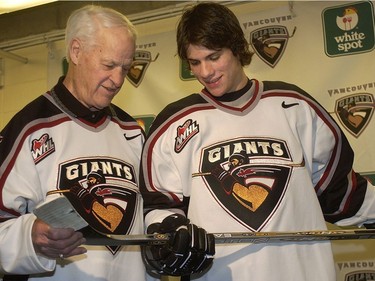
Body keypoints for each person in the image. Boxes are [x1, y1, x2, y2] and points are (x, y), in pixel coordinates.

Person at [140, 2, 375, 280]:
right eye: (195, 62)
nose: (205, 72)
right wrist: (172, 230)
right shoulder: (174, 122)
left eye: (214, 57)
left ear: (237, 48)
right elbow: (158, 206)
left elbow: (340, 191)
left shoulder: (295, 106)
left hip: (301, 272)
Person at [0, 5, 149, 281]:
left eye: (126, 68)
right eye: (109, 65)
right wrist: (30, 238)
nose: (118, 80)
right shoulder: (28, 130)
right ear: (76, 52)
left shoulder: (132, 132)